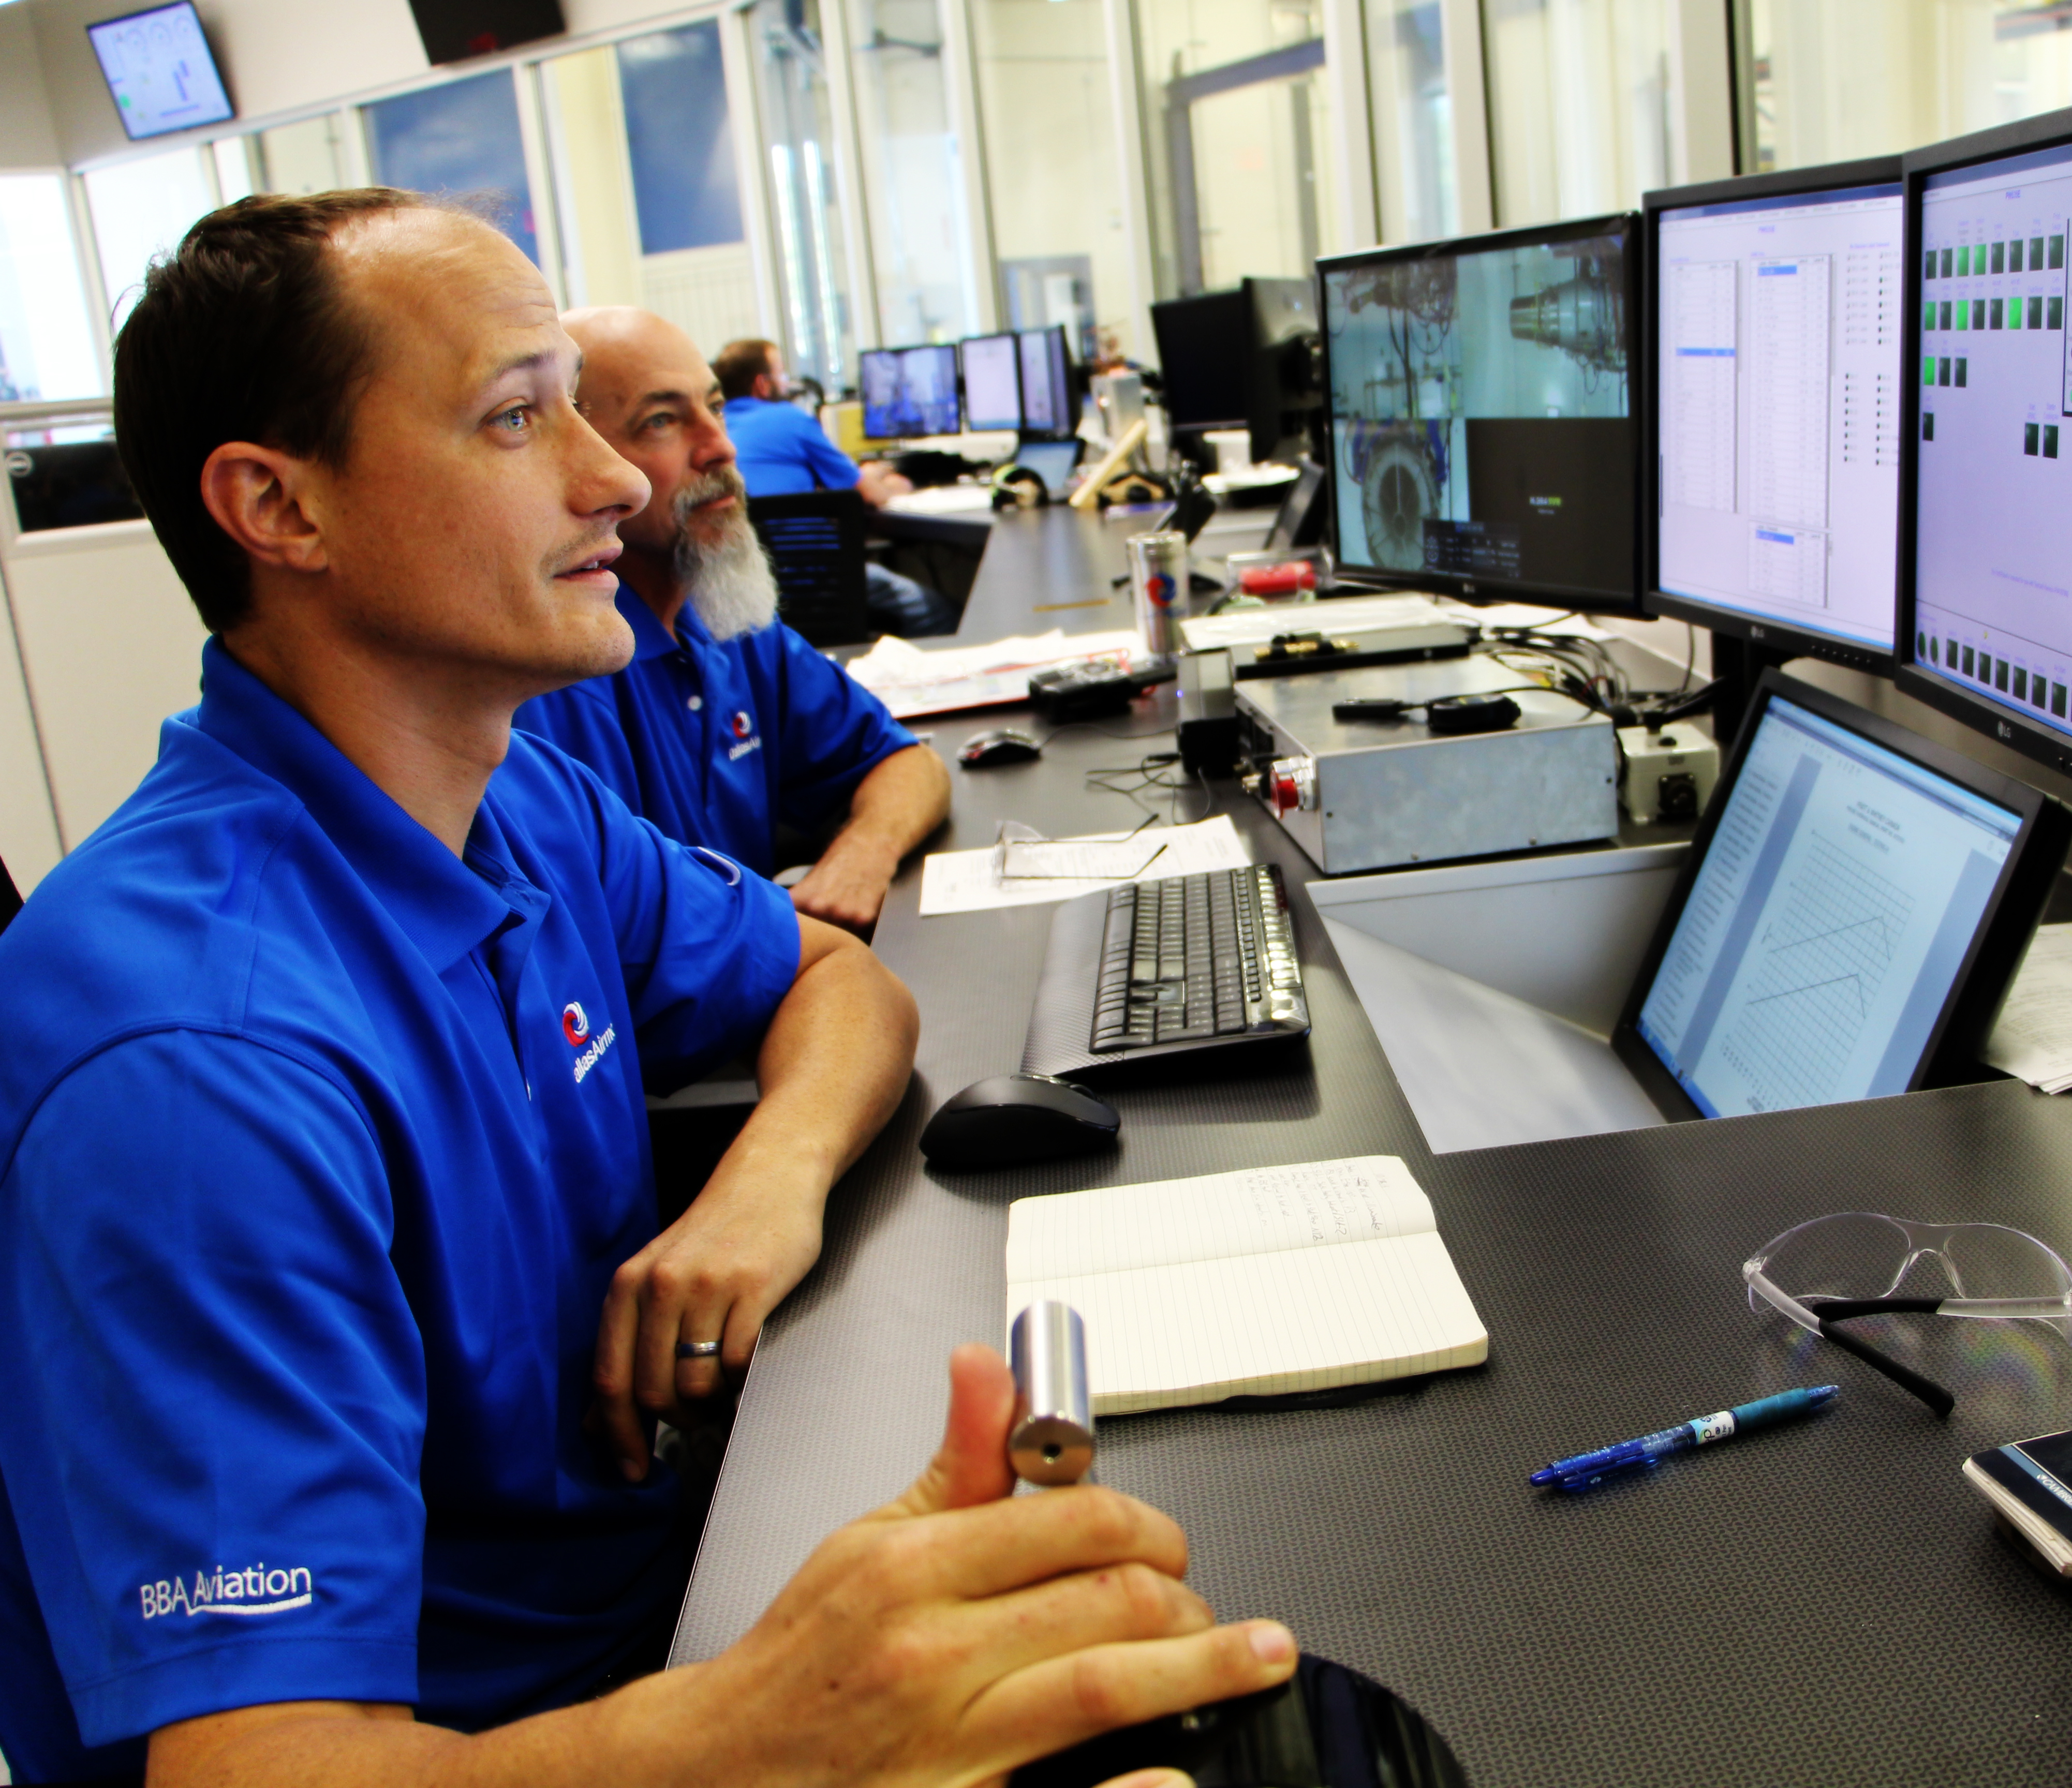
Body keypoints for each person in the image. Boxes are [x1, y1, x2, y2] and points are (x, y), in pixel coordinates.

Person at [0, 188, 1294, 1787]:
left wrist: (766, 1186)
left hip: (667, 1613)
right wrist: (777, 1726)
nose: (616, 478)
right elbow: (257, 1770)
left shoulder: (512, 804)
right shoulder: (193, 1062)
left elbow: (838, 984)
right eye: (514, 419)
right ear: (280, 508)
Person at [513, 308, 949, 935]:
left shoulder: (727, 619)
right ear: (579, 462)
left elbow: (909, 766)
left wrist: (863, 853)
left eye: (714, 407)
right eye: (661, 421)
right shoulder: (558, 689)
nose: (720, 446)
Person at [711, 337, 952, 637]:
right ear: (763, 384)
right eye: (782, 374)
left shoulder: (716, 430)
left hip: (751, 590)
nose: (788, 382)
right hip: (817, 579)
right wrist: (896, 485)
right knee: (935, 610)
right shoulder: (790, 418)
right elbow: (872, 495)